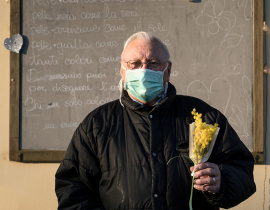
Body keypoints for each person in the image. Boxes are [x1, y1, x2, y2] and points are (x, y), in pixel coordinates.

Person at [55, 31, 256, 210]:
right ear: (122, 71)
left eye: (153, 63)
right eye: (134, 64)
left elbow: (243, 172)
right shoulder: (97, 124)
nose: (144, 70)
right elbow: (72, 189)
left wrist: (222, 181)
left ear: (167, 70)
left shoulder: (203, 116)